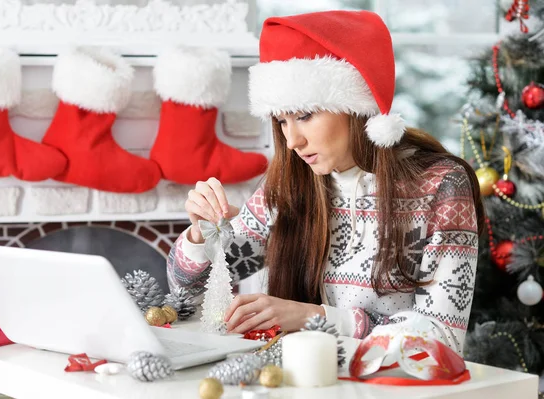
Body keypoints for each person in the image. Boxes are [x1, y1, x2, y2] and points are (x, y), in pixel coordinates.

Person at [166, 10, 484, 354]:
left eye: (304, 116)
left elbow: (441, 340)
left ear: (356, 106)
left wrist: (313, 318)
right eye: (282, 122)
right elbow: (185, 295)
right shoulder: (290, 185)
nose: (292, 141)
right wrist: (201, 236)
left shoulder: (441, 186)